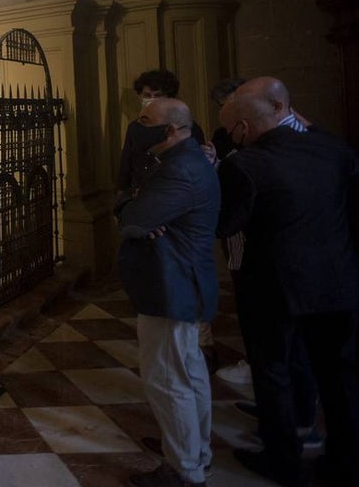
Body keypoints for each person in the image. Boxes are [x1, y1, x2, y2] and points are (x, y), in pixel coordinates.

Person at [217, 81, 359, 486]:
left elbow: (227, 224)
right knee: (340, 379)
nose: (234, 137)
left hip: (273, 288)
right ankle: (346, 464)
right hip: (337, 283)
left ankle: (283, 461)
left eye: (234, 129)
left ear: (243, 128)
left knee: (273, 372)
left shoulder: (243, 165)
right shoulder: (334, 149)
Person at [115, 97, 220, 487]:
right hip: (180, 282)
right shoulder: (184, 161)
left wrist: (131, 206)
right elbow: (143, 218)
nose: (137, 126)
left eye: (145, 120)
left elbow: (135, 217)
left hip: (171, 285)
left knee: (168, 380)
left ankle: (183, 470)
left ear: (171, 129)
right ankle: (195, 453)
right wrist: (140, 213)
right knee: (190, 375)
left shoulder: (180, 170)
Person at [118, 69, 206, 192]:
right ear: (140, 96)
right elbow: (126, 166)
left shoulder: (187, 126)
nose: (152, 100)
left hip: (173, 191)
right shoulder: (135, 127)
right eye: (147, 96)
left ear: (170, 98)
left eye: (158, 96)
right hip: (139, 194)